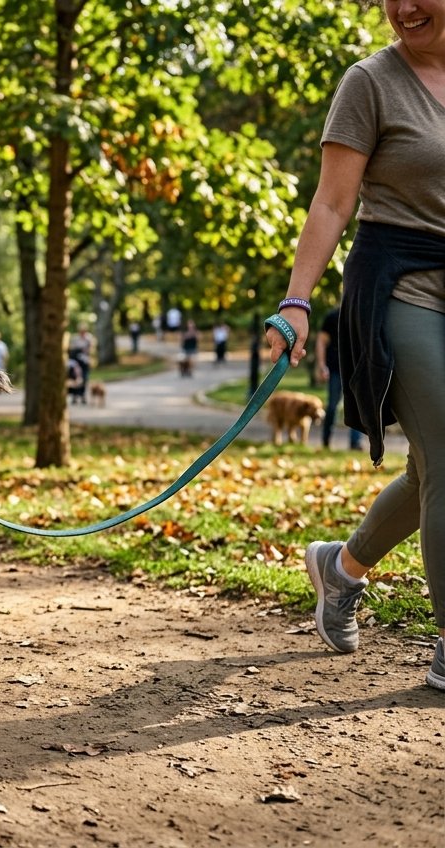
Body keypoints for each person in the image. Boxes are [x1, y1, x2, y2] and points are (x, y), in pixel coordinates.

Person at [266, 3, 445, 690]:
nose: (402, 7)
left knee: (434, 469)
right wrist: (296, 300)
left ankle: (341, 569)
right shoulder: (370, 82)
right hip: (400, 287)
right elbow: (333, 203)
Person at [314, 306, 363, 451]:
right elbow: (321, 341)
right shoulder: (332, 317)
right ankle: (326, 440)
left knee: (357, 406)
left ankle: (355, 443)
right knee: (332, 407)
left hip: (356, 370)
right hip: (336, 369)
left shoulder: (361, 315)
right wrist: (322, 366)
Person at [67, 323, 94, 403]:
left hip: (85, 361)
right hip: (76, 361)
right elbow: (72, 350)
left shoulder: (89, 338)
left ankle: (82, 395)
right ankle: (74, 395)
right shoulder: (75, 339)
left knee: (84, 378)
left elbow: (91, 349)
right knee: (75, 378)